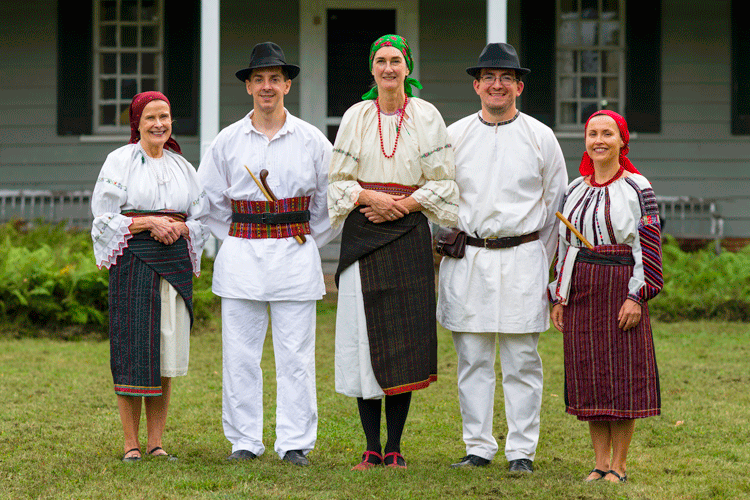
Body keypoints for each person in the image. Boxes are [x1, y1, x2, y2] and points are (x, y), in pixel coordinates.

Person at [197, 42, 336, 467]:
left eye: (275, 78)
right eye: (259, 79)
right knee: (240, 356)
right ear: (248, 87)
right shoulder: (227, 141)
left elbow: (332, 204)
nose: (267, 86)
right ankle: (244, 440)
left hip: (296, 259)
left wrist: (305, 236)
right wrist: (240, 234)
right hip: (241, 258)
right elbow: (208, 203)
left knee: (295, 356)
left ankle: (294, 442)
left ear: (287, 84)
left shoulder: (312, 140)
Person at [328, 34, 458, 470]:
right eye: (381, 61)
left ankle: (396, 446)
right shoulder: (355, 116)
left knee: (402, 339)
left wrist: (401, 204)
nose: (388, 68)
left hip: (408, 228)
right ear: (372, 69)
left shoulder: (427, 116)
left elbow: (444, 181)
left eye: (396, 61)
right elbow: (338, 181)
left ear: (408, 68)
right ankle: (370, 446)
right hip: (364, 228)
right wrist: (371, 199)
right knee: (363, 338)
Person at [437, 43, 568, 473]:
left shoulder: (540, 136)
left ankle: (521, 451)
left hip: (523, 257)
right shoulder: (454, 136)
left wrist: (538, 260)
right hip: (469, 257)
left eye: (506, 78)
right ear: (477, 85)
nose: (497, 84)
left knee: (521, 359)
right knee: (472, 357)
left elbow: (555, 204)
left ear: (519, 86)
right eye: (489, 77)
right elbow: (441, 198)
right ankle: (477, 446)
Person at [91, 91, 210, 463]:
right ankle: (131, 444)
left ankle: (156, 442)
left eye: (165, 116)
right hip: (134, 261)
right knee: (132, 350)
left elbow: (201, 216)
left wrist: (183, 229)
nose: (159, 124)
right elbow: (103, 216)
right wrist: (148, 222)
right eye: (150, 118)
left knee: (165, 354)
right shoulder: (120, 161)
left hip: (173, 264)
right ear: (137, 124)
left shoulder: (182, 166)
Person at [549, 110, 663, 483]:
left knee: (622, 377)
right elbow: (567, 248)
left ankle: (620, 465)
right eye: (592, 134)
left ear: (621, 141)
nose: (598, 140)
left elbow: (647, 247)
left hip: (620, 290)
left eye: (607, 134)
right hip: (581, 293)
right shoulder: (574, 190)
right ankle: (599, 463)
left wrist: (637, 296)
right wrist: (559, 296)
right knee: (591, 378)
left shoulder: (637, 188)